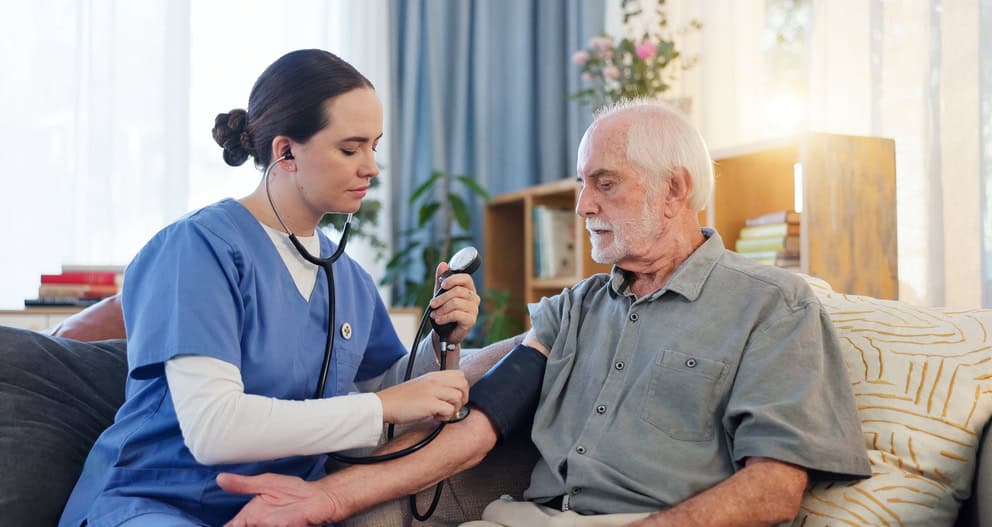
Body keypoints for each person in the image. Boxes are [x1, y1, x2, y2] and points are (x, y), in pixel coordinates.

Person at [216, 99, 872, 527]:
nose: (582, 206)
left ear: (676, 190)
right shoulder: (574, 308)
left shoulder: (772, 304)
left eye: (603, 182)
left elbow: (775, 487)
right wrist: (330, 497)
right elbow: (479, 427)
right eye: (582, 182)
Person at [58, 49, 482, 527]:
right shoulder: (197, 249)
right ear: (285, 153)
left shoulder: (348, 278)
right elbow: (213, 429)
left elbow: (388, 389)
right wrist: (384, 404)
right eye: (350, 148)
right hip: (154, 504)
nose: (371, 169)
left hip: (279, 511)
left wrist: (444, 337)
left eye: (374, 147)